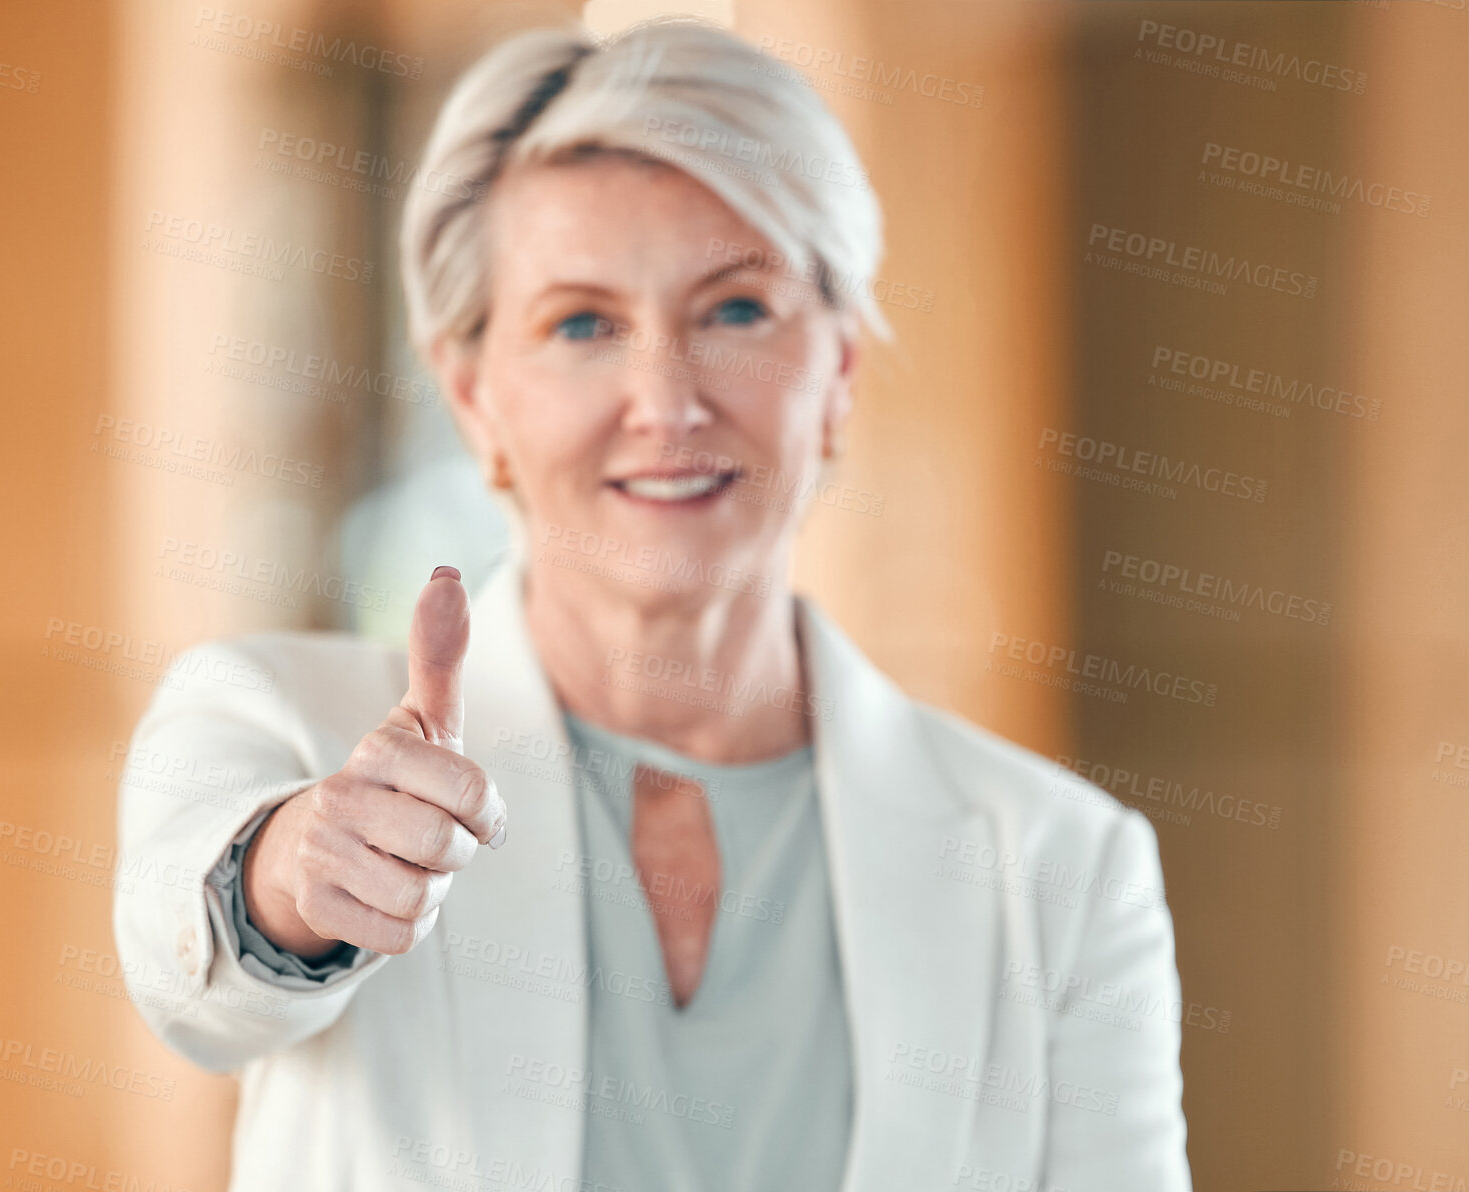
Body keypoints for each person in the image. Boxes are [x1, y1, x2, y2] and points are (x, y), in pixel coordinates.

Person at [114, 18, 1192, 1192]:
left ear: (836, 369)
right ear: (475, 398)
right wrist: (296, 880)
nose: (664, 401)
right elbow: (197, 984)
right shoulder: (279, 721)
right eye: (582, 324)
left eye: (734, 311)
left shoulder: (1065, 865)